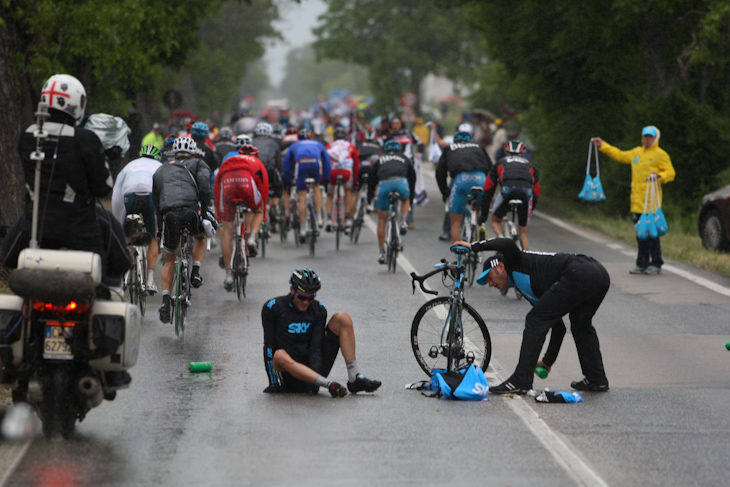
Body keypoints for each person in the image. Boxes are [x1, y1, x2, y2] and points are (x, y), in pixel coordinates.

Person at [457, 237, 610, 395]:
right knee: (580, 324)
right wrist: (547, 361)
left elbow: (507, 243)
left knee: (535, 319)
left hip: (580, 271)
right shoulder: (527, 287)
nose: (490, 284)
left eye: (489, 278)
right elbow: (558, 328)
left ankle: (521, 381)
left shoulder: (514, 261)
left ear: (501, 267)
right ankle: (596, 378)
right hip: (598, 274)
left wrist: (473, 247)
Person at [14, 73, 113, 267]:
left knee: (10, 248)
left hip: (33, 228)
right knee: (111, 244)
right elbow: (103, 188)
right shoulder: (86, 139)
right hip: (79, 234)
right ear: (76, 104)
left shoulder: (26, 134)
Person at [261, 268, 382, 397]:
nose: (306, 302)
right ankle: (328, 384)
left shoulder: (319, 310)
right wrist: (273, 383)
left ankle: (354, 378)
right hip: (289, 371)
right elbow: (269, 346)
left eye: (310, 298)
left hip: (314, 371)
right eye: (302, 297)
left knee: (342, 318)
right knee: (279, 355)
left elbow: (315, 347)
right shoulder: (272, 307)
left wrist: (314, 379)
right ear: (292, 290)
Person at [591, 126, 675, 275]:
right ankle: (642, 263)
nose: (647, 139)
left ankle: (656, 263)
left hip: (651, 203)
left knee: (652, 235)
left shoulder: (660, 154)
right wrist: (603, 145)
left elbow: (670, 172)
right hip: (636, 203)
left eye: (650, 136)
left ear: (656, 138)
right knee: (640, 235)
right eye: (645, 136)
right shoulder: (636, 152)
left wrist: (659, 175)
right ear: (642, 137)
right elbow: (620, 155)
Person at [152, 137, 213, 323]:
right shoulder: (199, 163)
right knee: (200, 237)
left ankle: (164, 302)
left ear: (174, 153)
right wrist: (205, 210)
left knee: (170, 258)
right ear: (193, 153)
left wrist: (161, 229)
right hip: (191, 211)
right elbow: (204, 186)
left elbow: (157, 201)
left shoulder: (161, 169)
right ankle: (195, 271)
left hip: (169, 214)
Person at [214, 144, 269, 290]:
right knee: (258, 211)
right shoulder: (256, 162)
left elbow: (217, 186)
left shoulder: (229, 160)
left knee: (226, 231)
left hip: (226, 184)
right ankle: (251, 238)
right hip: (246, 183)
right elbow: (263, 190)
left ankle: (228, 275)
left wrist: (220, 217)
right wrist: (261, 212)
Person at [111, 144, 163, 293]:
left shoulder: (130, 165)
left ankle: (124, 272)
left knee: (125, 235)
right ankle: (150, 281)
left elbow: (116, 193)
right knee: (153, 237)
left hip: (130, 195)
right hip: (150, 196)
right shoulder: (160, 166)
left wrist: (116, 220)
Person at [480, 140, 540, 251]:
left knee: (496, 221)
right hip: (526, 193)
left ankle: (501, 241)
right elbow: (536, 193)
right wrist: (529, 212)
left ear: (506, 152)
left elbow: (488, 189)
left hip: (507, 190)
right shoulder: (531, 166)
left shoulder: (500, 162)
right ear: (523, 154)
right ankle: (525, 261)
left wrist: (483, 215)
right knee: (523, 232)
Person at [435, 129, 492, 243]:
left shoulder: (450, 148)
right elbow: (490, 168)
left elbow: (440, 173)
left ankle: (459, 256)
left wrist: (445, 192)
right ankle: (478, 224)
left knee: (455, 222)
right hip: (481, 179)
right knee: (478, 209)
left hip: (461, 180)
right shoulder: (478, 146)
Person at [368, 140, 416, 264]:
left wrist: (370, 197)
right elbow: (412, 176)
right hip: (401, 183)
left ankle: (382, 252)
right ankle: (404, 221)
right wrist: (411, 194)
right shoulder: (404, 158)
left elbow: (372, 179)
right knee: (405, 199)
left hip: (385, 185)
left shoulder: (381, 159)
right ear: (400, 150)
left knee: (382, 220)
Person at [283, 129, 331, 244]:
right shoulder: (318, 144)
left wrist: (288, 180)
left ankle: (303, 228)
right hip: (315, 162)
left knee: (302, 195)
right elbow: (327, 162)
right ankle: (319, 216)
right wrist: (326, 179)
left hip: (301, 163)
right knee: (316, 187)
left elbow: (287, 163)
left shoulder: (295, 145)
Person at [386, 116, 424, 228]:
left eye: (397, 124)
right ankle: (393, 216)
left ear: (401, 124)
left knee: (408, 192)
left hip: (408, 165)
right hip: (393, 164)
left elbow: (420, 144)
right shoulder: (390, 136)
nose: (395, 126)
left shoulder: (409, 134)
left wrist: (419, 154)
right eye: (393, 124)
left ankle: (408, 218)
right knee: (394, 189)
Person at [325, 126, 360, 231]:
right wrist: (355, 180)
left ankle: (329, 218)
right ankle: (348, 217)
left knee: (330, 195)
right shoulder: (350, 146)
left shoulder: (329, 145)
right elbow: (356, 165)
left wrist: (324, 179)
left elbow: (325, 162)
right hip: (346, 171)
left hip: (333, 171)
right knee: (348, 191)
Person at [252, 122, 284, 231]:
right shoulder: (274, 143)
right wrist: (281, 175)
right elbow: (279, 163)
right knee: (278, 187)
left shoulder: (252, 142)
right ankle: (274, 205)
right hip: (270, 171)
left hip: (255, 171)